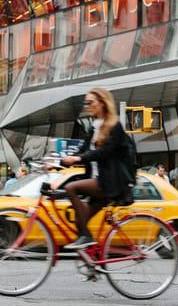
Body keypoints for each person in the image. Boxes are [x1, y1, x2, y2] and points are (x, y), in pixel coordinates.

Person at [60, 87, 133, 250]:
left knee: (70, 188)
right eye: (85, 102)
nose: (87, 105)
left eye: (90, 102)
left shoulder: (115, 126)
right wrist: (60, 161)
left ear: (102, 103)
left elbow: (104, 152)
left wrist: (78, 158)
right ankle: (93, 269)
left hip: (109, 182)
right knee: (80, 221)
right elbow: (84, 149)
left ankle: (86, 237)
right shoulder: (94, 126)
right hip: (98, 181)